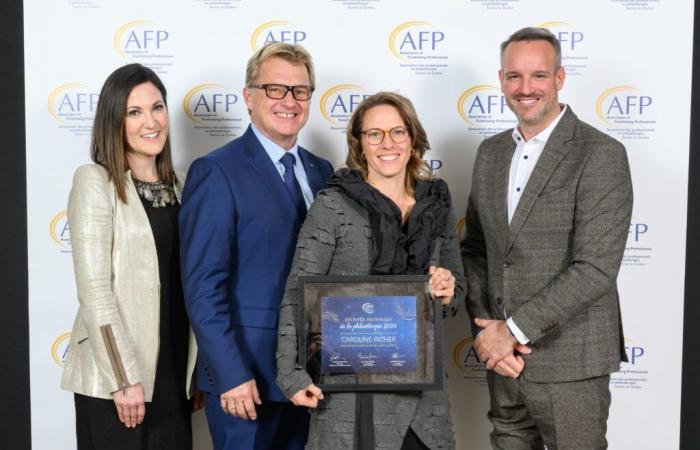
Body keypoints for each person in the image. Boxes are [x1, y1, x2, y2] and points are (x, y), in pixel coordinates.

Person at [461, 27, 633, 450]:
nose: (526, 88)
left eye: (538, 75)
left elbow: (594, 268)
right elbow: (477, 249)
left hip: (571, 361)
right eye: (514, 76)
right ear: (501, 80)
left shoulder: (599, 154)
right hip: (504, 365)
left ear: (559, 78)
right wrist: (490, 333)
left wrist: (512, 332)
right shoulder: (491, 153)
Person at [276, 92, 467, 450]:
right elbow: (296, 292)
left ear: (413, 140)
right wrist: (290, 373)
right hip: (351, 392)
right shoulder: (333, 205)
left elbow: (456, 294)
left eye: (397, 132)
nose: (387, 143)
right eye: (374, 134)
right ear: (360, 145)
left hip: (424, 399)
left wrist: (447, 288)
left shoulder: (436, 203)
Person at [179, 42, 333, 450]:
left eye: (300, 91)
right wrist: (229, 374)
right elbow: (202, 288)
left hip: (311, 377)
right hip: (246, 381)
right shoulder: (216, 171)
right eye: (275, 89)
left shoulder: (322, 171)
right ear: (249, 97)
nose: (289, 101)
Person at [61, 63, 199, 450]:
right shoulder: (96, 183)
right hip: (116, 379)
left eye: (157, 107)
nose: (150, 121)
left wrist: (195, 375)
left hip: (172, 372)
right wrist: (123, 378)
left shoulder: (183, 185)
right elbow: (94, 292)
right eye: (134, 112)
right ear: (114, 121)